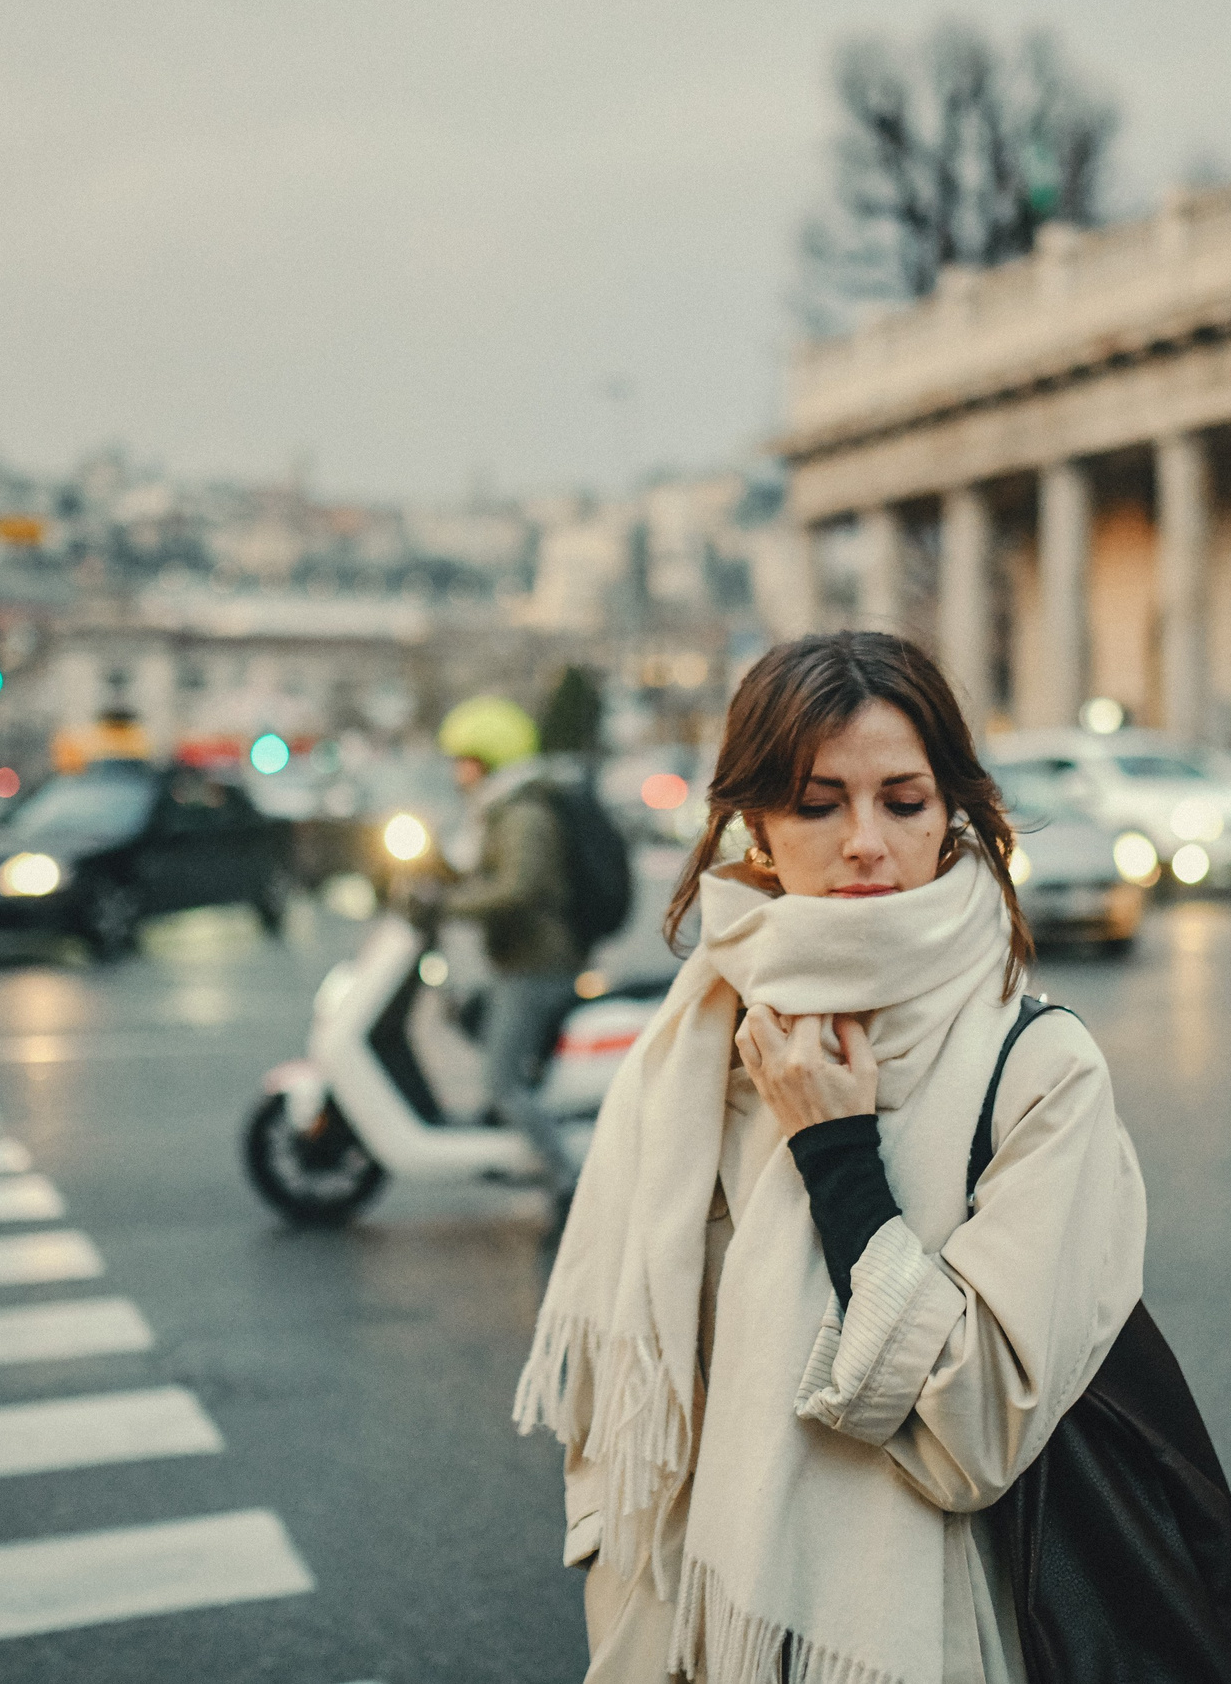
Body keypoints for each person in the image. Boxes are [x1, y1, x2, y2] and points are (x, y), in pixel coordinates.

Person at [514, 633, 1146, 1684]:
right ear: (754, 822)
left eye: (903, 800)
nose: (865, 841)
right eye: (818, 803)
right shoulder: (700, 1034)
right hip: (680, 1621)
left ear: (952, 812)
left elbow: (978, 1424)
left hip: (903, 1634)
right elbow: (639, 1400)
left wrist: (837, 1151)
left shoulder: (1040, 1068)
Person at [435, 694, 586, 1196]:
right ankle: (514, 1139)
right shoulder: (500, 811)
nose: (459, 774)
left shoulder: (524, 816)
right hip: (518, 961)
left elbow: (519, 889)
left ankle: (570, 1182)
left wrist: (448, 905)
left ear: (491, 761)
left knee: (502, 1082)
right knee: (468, 1015)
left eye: (467, 762)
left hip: (537, 966)